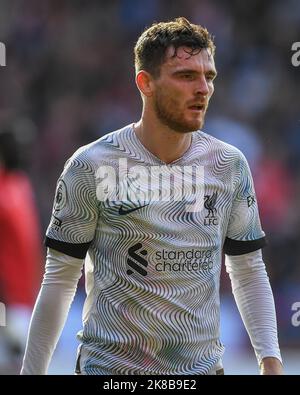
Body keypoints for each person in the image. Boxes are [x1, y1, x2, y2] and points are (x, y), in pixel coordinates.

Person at [21, 17, 283, 375]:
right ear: (145, 82)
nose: (203, 88)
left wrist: (270, 359)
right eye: (186, 76)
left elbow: (248, 269)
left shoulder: (229, 164)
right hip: (111, 374)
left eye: (209, 76)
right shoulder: (91, 165)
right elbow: (60, 277)